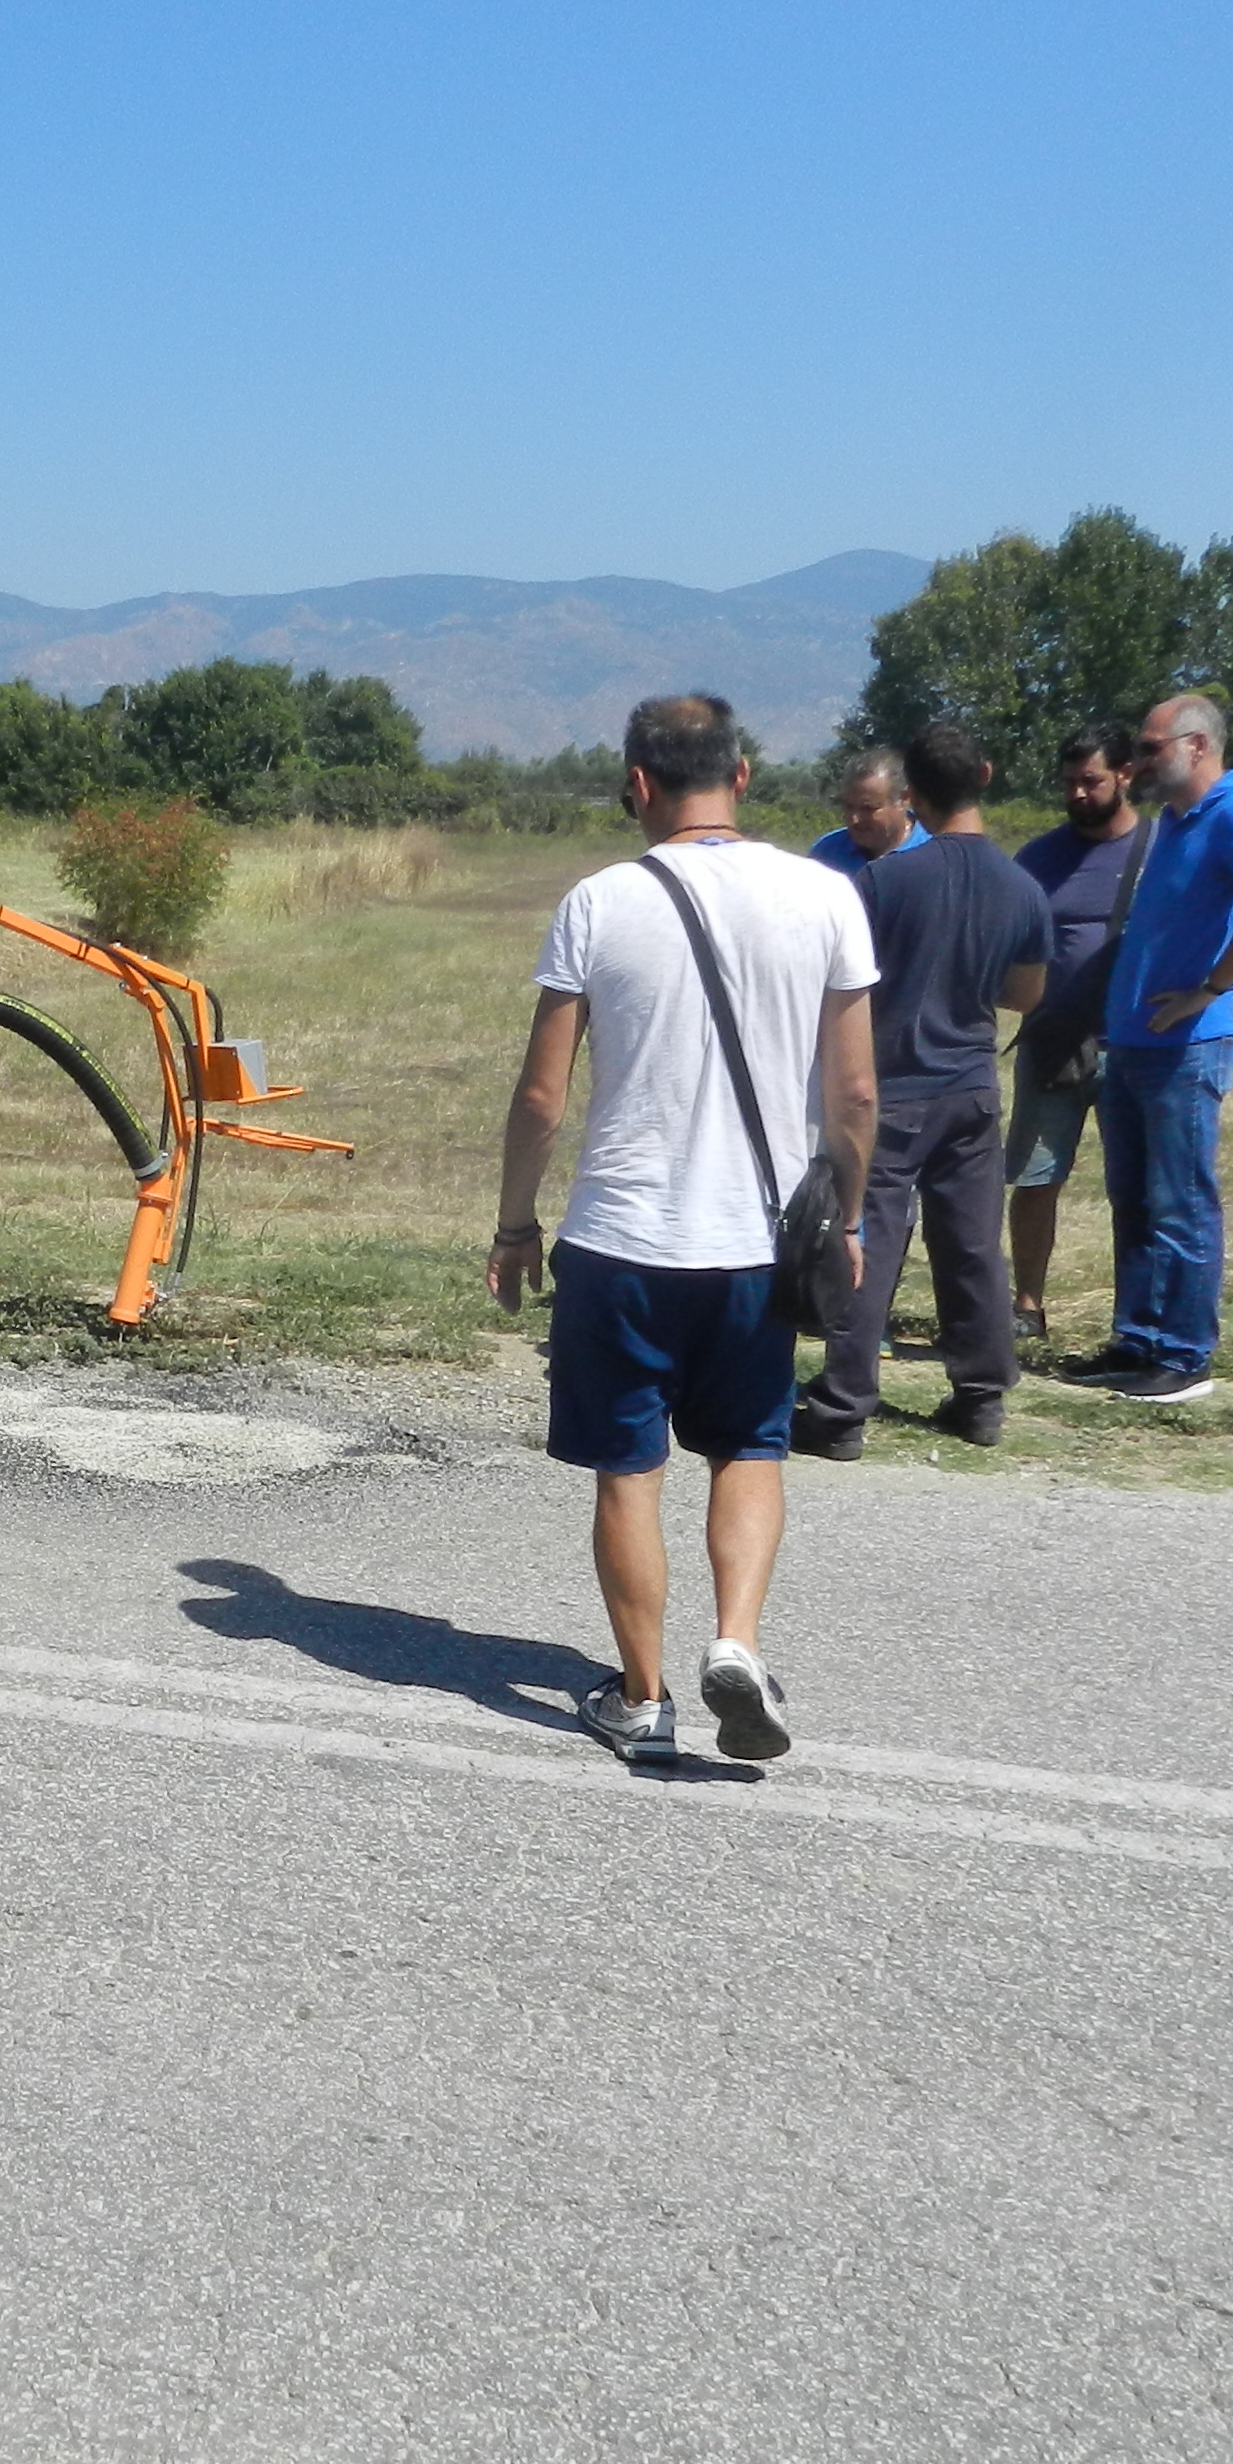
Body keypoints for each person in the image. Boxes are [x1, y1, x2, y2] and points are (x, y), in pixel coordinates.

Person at [490, 693, 879, 1765]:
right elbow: (853, 1095)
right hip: (757, 1243)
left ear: (637, 784)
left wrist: (515, 1224)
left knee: (629, 1468)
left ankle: (643, 1697)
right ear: (741, 776)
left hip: (622, 1238)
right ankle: (737, 1641)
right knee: (748, 1447)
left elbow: (540, 1096)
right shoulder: (825, 894)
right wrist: (846, 1218)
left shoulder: (598, 902)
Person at [792, 718, 1049, 1457]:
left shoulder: (883, 882)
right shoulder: (1022, 887)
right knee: (971, 1245)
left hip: (891, 1085)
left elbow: (833, 981)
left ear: (912, 795)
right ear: (985, 777)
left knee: (866, 1238)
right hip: (971, 1087)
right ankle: (981, 1397)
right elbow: (1026, 995)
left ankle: (842, 1409)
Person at [1062, 692, 1233, 1402]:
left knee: (1181, 1203)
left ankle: (1185, 1355)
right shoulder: (1173, 818)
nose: (1137, 761)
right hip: (1133, 1042)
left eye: (1150, 748)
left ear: (1197, 746)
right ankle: (1137, 1341)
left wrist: (1212, 986)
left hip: (1187, 1047)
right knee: (1134, 1201)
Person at [1005, 723, 1146, 1339]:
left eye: (1091, 781)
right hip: (1053, 1043)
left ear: (1126, 775)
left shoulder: (1160, 849)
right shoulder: (1037, 857)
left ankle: (1134, 1318)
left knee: (1135, 1188)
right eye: (1069, 783)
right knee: (1037, 1178)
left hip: (1135, 1046)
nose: (1078, 794)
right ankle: (1026, 1307)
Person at [807, 748, 927, 878]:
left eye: (867, 808)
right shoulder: (827, 852)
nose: (854, 819)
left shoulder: (932, 850)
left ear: (904, 799)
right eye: (848, 807)